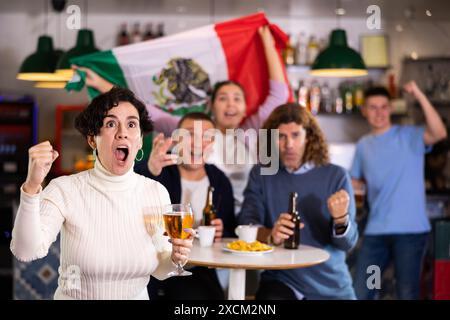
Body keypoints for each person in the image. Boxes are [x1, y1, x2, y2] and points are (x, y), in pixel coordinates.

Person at [74, 26, 289, 214]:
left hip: (243, 220)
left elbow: (279, 95)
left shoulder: (252, 129)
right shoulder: (185, 126)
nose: (231, 104)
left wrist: (267, 43)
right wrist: (101, 83)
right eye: (223, 98)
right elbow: (141, 107)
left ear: (245, 108)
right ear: (211, 106)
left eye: (237, 99)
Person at [10, 87, 195, 300]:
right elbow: (25, 251)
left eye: (131, 124)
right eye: (110, 124)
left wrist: (174, 258)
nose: (122, 132)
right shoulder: (65, 189)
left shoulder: (155, 192)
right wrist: (32, 186)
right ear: (92, 139)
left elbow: (161, 271)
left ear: (140, 140)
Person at [238, 103, 358, 300]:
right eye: (281, 137)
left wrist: (341, 220)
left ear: (309, 137)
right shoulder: (261, 174)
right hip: (281, 279)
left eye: (295, 135)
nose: (289, 145)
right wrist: (271, 235)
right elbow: (247, 223)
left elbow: (348, 244)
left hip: (329, 283)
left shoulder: (336, 176)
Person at [351, 81, 447, 300]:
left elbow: (439, 132)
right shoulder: (363, 145)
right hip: (376, 234)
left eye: (384, 106)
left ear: (391, 109)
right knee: (365, 290)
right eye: (373, 107)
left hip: (410, 233)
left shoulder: (409, 136)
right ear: (364, 111)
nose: (379, 112)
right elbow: (355, 182)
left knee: (406, 293)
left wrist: (419, 94)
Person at [135, 112, 236, 299]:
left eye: (207, 137)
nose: (198, 143)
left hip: (200, 270)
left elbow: (230, 230)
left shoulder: (220, 181)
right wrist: (149, 170)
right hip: (156, 267)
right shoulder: (159, 169)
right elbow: (130, 200)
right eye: (190, 134)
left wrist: (222, 232)